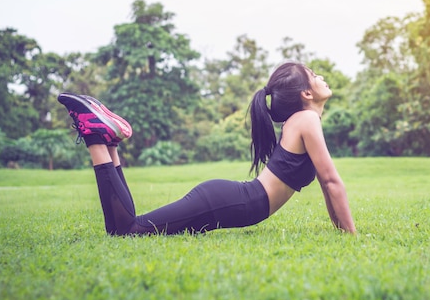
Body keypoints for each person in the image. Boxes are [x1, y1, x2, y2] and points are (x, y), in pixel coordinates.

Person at [58, 62, 356, 236]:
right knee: (128, 231)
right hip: (228, 201)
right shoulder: (306, 119)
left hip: (231, 201)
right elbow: (331, 182)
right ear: (306, 93)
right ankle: (96, 138)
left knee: (130, 230)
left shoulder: (302, 121)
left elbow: (327, 185)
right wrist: (352, 237)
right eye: (315, 75)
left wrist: (341, 233)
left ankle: (108, 143)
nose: (321, 77)